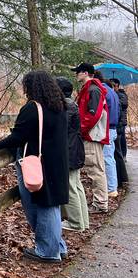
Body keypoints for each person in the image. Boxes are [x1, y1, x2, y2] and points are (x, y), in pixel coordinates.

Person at [0, 71, 69, 262]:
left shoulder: (33, 108)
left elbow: (18, 136)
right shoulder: (59, 106)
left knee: (43, 205)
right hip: (57, 162)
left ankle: (47, 251)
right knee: (51, 205)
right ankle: (57, 246)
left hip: (38, 163)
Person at [72, 63, 109, 213]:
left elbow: (93, 115)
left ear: (85, 73)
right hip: (90, 135)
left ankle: (100, 204)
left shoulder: (93, 90)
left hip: (92, 136)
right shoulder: (89, 89)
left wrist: (80, 130)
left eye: (78, 72)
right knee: (94, 169)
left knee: (96, 170)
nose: (76, 75)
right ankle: (99, 202)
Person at [55, 77, 89, 231]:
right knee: (76, 185)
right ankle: (83, 221)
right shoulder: (71, 104)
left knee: (71, 187)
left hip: (69, 151)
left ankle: (76, 223)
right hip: (75, 150)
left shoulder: (66, 106)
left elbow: (61, 128)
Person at [94, 70, 119, 196]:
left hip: (106, 128)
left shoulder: (102, 91)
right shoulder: (112, 91)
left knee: (107, 159)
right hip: (113, 128)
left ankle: (111, 188)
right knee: (110, 158)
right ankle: (112, 185)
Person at [109, 78, 129, 187]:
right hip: (118, 124)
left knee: (119, 147)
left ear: (117, 86)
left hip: (120, 124)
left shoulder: (121, 95)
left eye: (114, 86)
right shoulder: (114, 95)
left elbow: (124, 104)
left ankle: (122, 177)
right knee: (118, 148)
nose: (113, 88)